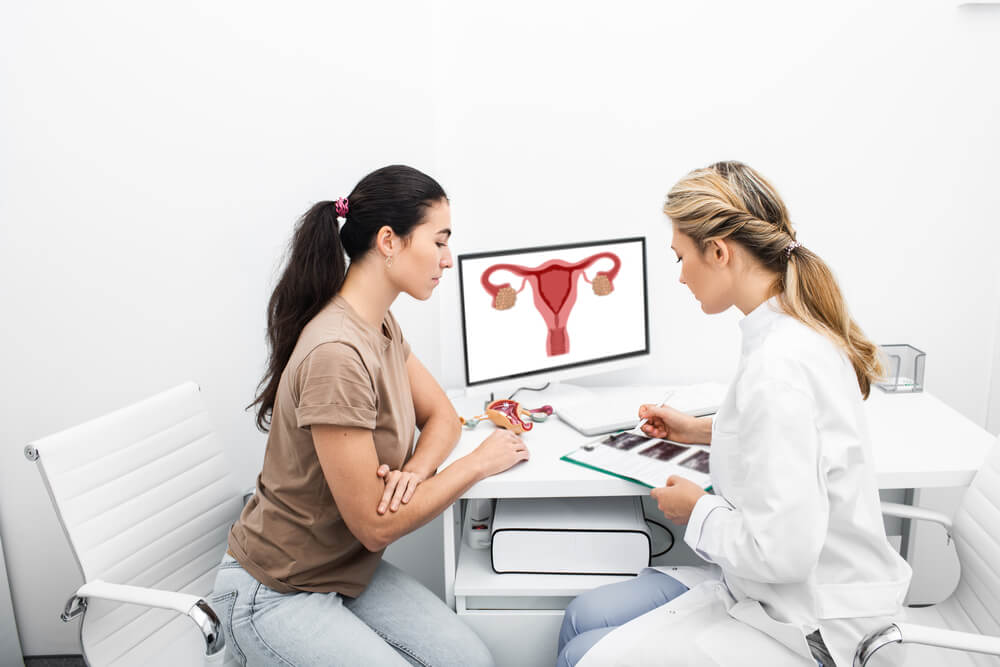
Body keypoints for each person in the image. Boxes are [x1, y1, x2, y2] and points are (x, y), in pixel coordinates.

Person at [557, 161, 912, 667]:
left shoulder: (778, 366)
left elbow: (782, 555)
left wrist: (695, 511)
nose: (680, 276)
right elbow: (779, 441)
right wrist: (699, 431)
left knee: (581, 654)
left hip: (811, 627)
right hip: (774, 595)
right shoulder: (787, 331)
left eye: (681, 257)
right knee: (581, 617)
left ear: (719, 251)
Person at [211, 165, 529, 666]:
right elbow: (375, 527)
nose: (448, 260)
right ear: (388, 241)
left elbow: (442, 416)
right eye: (440, 241)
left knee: (473, 662)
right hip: (276, 593)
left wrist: (414, 473)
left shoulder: (377, 321)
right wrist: (477, 465)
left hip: (343, 571)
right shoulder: (336, 352)